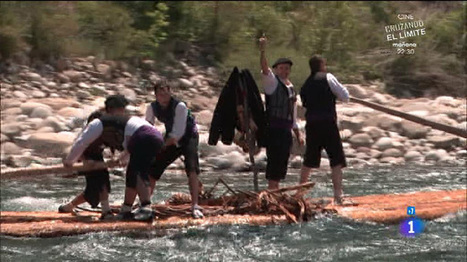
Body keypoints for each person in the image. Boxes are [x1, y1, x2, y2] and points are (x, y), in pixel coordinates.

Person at [63, 95, 164, 221]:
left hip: (143, 137)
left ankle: (146, 207)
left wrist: (69, 161)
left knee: (138, 172)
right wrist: (122, 159)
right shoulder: (124, 121)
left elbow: (82, 142)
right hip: (157, 137)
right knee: (133, 173)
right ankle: (126, 210)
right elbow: (129, 143)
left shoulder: (98, 123)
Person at [145, 79, 204, 219]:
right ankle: (145, 204)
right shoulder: (152, 107)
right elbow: (147, 128)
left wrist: (161, 145)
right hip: (171, 135)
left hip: (188, 136)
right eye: (160, 95)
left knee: (191, 168)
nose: (164, 97)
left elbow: (177, 134)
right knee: (153, 168)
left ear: (170, 93)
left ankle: (195, 205)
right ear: (156, 96)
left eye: (166, 94)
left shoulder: (180, 106)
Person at [299, 55, 350, 205]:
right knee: (336, 159)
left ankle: (299, 194)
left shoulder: (306, 85)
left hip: (312, 125)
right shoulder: (328, 77)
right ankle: (338, 197)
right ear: (322, 65)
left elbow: (306, 102)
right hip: (328, 123)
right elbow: (345, 96)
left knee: (309, 160)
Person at [259, 35, 304, 190]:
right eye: (281, 68)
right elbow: (265, 69)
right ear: (277, 70)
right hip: (273, 130)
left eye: (287, 68)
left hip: (285, 131)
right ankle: (272, 193)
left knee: (282, 163)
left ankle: (275, 192)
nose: (284, 71)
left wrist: (298, 133)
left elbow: (293, 113)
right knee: (274, 163)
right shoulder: (272, 83)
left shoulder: (291, 87)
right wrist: (263, 50)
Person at [58, 109, 113, 220]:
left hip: (98, 158)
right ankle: (106, 211)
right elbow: (79, 146)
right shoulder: (87, 132)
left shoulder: (106, 131)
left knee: (95, 189)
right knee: (99, 184)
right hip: (87, 159)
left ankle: (68, 206)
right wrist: (83, 161)